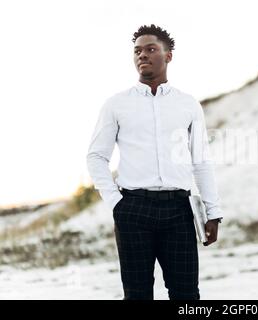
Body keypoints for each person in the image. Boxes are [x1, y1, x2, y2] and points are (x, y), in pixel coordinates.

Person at [86, 24, 223, 300]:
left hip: (179, 211)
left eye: (151, 49)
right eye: (137, 51)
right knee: (137, 295)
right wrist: (116, 203)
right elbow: (96, 156)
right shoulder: (116, 104)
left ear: (168, 55)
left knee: (186, 295)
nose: (142, 56)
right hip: (133, 210)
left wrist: (213, 212)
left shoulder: (188, 104)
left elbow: (201, 161)